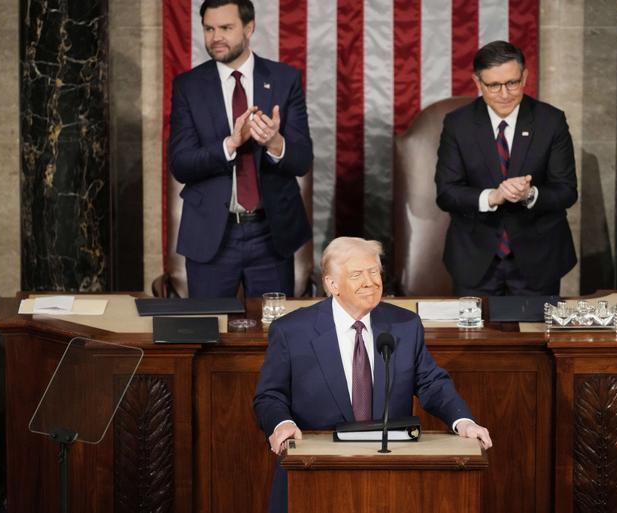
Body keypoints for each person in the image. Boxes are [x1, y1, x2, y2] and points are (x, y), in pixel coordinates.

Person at [254, 236, 492, 513]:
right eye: (357, 274)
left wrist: (462, 421)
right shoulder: (293, 330)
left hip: (390, 473)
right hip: (313, 471)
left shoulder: (404, 324)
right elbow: (269, 395)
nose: (370, 281)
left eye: (374, 271)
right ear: (332, 285)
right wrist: (281, 424)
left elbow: (431, 382)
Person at [168, 0, 313, 298]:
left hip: (271, 234)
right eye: (209, 29)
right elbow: (180, 164)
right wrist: (230, 145)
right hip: (212, 236)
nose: (215, 37)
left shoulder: (284, 80)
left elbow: (302, 161)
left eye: (225, 28)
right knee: (208, 334)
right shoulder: (188, 86)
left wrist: (275, 143)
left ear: (249, 28)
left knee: (276, 336)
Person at [435, 40, 577, 296]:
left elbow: (566, 191)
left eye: (512, 83)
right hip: (474, 259)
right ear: (477, 83)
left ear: (524, 77)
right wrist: (492, 196)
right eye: (493, 85)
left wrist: (530, 195)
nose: (504, 93)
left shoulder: (550, 121)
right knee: (475, 337)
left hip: (538, 258)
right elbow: (447, 193)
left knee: (535, 336)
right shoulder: (458, 124)